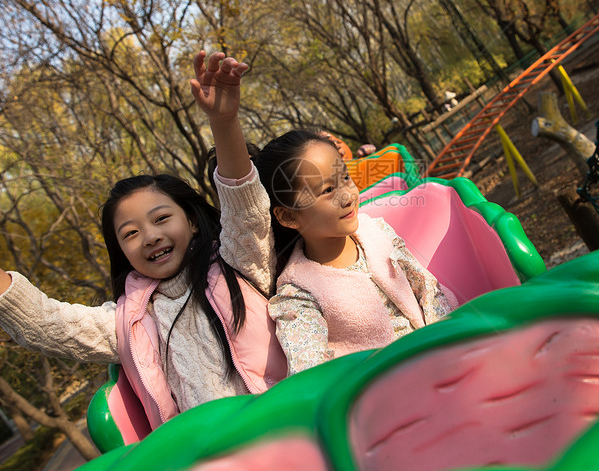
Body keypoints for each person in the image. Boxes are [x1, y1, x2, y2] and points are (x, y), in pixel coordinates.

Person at [0, 53, 285, 433]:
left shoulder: (239, 264)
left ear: (193, 221)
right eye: (129, 233)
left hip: (292, 429)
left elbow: (246, 209)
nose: (150, 236)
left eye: (161, 218)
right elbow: (45, 324)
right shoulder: (130, 322)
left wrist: (223, 122)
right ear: (120, 251)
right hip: (214, 455)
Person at [191, 52, 455, 378]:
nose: (346, 194)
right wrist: (224, 121)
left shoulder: (377, 233)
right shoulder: (297, 294)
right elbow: (311, 372)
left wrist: (451, 339)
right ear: (288, 217)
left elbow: (429, 291)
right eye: (326, 191)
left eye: (344, 177)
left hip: (447, 358)